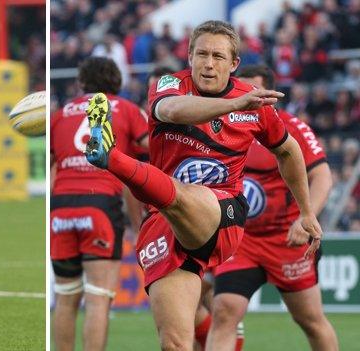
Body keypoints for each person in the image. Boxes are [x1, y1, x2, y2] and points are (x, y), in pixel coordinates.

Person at [84, 20, 322, 350]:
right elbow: (172, 110)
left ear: (234, 63)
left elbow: (289, 150)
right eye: (201, 54)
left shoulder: (254, 105)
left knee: (183, 195)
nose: (208, 64)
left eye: (218, 57)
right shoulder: (170, 84)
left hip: (223, 215)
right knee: (175, 343)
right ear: (190, 56)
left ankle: (109, 157)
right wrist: (233, 105)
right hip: (164, 223)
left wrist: (307, 212)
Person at [207, 64, 339, 351]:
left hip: (286, 241)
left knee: (310, 319)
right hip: (241, 240)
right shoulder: (222, 125)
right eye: (240, 89)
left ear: (271, 95)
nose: (246, 97)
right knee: (224, 312)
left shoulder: (293, 128)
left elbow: (323, 176)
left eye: (254, 90)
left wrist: (307, 219)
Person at [51, 57, 148, 351]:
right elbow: (150, 148)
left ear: (82, 83)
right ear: (116, 82)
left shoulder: (61, 114)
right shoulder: (127, 109)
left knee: (66, 298)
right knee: (98, 298)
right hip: (100, 204)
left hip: (61, 208)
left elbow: (52, 168)